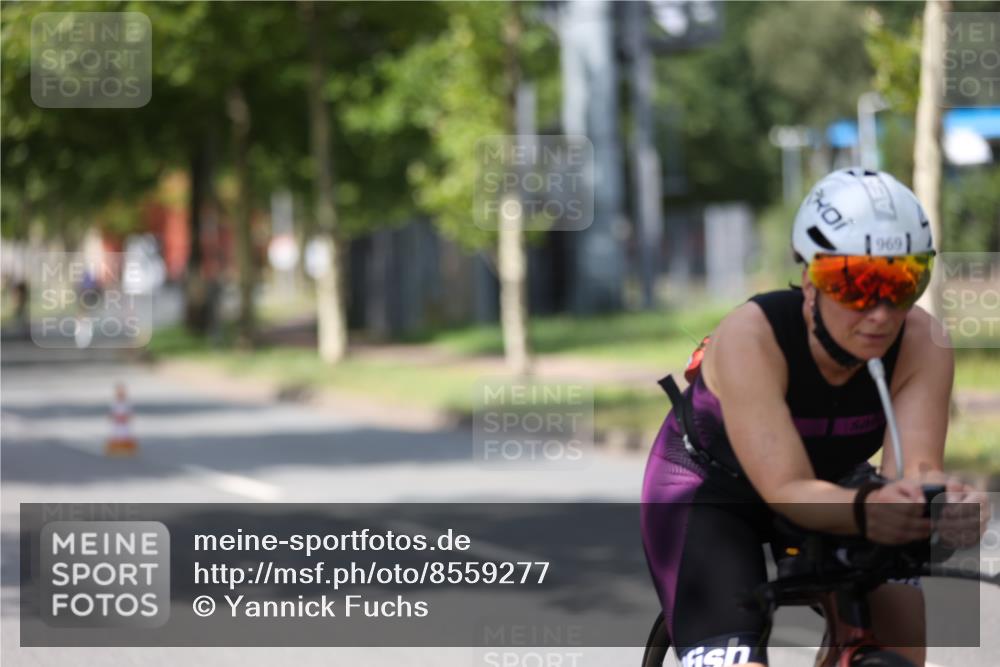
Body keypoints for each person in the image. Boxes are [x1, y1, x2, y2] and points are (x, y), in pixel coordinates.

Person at [640, 167, 990, 667]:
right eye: (855, 283)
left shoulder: (922, 343)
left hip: (835, 485)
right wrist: (874, 508)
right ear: (810, 280)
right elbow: (786, 488)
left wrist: (942, 505)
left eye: (904, 280)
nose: (881, 312)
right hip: (710, 491)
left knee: (900, 631)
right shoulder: (751, 336)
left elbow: (914, 474)